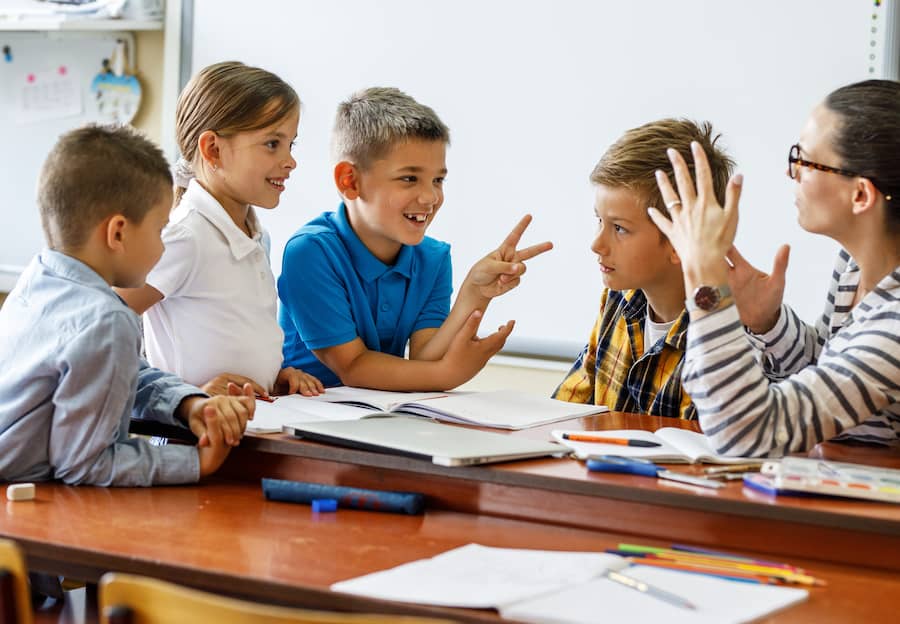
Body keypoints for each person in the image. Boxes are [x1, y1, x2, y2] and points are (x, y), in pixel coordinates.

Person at [649, 79, 900, 455]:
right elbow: (832, 379)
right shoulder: (852, 268)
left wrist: (706, 283)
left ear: (860, 195)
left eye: (805, 160)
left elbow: (749, 434)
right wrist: (770, 324)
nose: (791, 172)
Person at [0, 124, 255, 486]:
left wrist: (188, 403)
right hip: (28, 510)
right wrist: (197, 462)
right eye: (159, 229)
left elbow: (119, 372)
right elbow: (86, 465)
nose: (163, 247)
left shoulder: (40, 278)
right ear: (117, 232)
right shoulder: (107, 320)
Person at [278, 87, 552, 390]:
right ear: (350, 181)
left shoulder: (432, 258)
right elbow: (353, 367)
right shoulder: (311, 251)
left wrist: (474, 293)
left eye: (438, 180)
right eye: (409, 178)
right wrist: (450, 374)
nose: (430, 196)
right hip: (302, 418)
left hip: (378, 417)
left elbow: (425, 358)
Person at [117, 61, 323, 398]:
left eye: (291, 145)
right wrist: (184, 394)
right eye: (272, 144)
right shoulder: (185, 237)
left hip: (248, 425)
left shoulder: (256, 237)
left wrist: (273, 375)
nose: (290, 161)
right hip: (190, 435)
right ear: (213, 149)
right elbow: (101, 327)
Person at [553, 119, 734, 418]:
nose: (597, 244)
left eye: (620, 228)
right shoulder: (618, 300)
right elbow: (564, 412)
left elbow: (696, 454)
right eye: (599, 220)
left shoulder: (719, 329)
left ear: (680, 240)